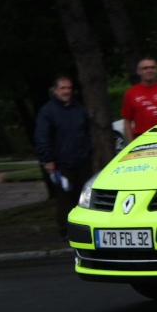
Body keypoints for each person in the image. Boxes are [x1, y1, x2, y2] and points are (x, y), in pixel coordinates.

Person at [34, 75, 93, 239]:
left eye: (69, 88)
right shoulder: (47, 111)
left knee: (82, 197)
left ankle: (82, 228)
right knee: (64, 198)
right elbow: (42, 137)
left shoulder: (79, 109)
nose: (66, 91)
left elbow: (87, 133)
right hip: (61, 163)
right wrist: (48, 159)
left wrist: (88, 151)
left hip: (81, 160)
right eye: (63, 88)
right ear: (55, 90)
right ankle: (64, 229)